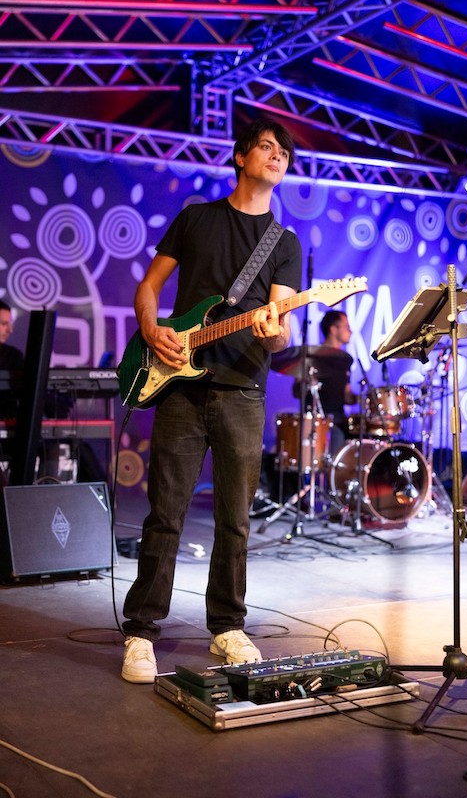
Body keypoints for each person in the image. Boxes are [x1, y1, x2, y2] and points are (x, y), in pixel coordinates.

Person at [121, 119, 303, 683]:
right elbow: (149, 287)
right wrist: (152, 330)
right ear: (241, 156)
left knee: (235, 520)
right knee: (165, 515)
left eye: (285, 152)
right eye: (267, 147)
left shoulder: (284, 243)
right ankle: (141, 632)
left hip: (243, 391)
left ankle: (227, 627)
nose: (277, 156)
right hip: (179, 387)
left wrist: (273, 333)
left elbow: (280, 335)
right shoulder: (196, 218)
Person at [293, 310, 357, 457]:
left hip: (339, 421)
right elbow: (296, 391)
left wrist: (365, 399)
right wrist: (305, 383)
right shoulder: (312, 356)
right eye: (346, 327)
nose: (350, 331)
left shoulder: (345, 360)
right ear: (333, 329)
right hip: (316, 422)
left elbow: (347, 395)